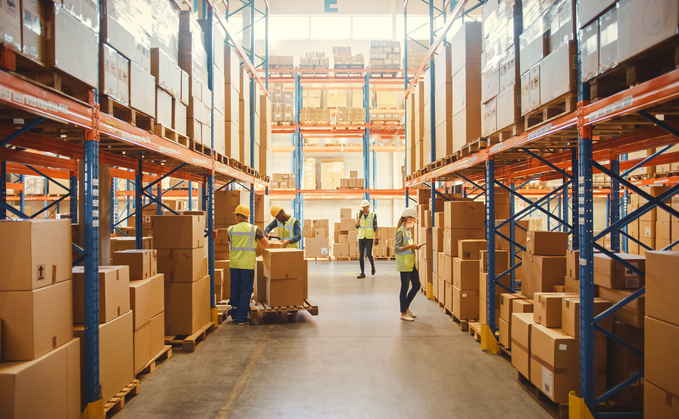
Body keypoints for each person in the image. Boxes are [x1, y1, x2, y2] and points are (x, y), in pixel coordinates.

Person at [226, 204, 270, 325]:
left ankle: (234, 314)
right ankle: (242, 317)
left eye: (236, 215)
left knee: (234, 288)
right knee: (245, 290)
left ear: (240, 216)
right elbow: (266, 244)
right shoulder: (255, 229)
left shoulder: (230, 229)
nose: (235, 217)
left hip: (234, 264)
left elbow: (230, 242)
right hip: (247, 266)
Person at [395, 208, 422, 321]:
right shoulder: (400, 231)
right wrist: (411, 246)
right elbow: (397, 249)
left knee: (417, 285)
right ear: (409, 219)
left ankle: (406, 307)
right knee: (404, 288)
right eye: (415, 220)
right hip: (404, 264)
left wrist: (415, 245)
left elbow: (408, 245)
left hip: (411, 263)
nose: (415, 222)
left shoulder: (408, 230)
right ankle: (402, 313)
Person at [355, 199, 378, 278]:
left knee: (368, 253)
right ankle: (362, 272)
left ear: (368, 206)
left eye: (365, 207)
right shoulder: (359, 215)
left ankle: (372, 265)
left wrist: (377, 238)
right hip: (361, 237)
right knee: (361, 255)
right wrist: (359, 217)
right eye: (362, 207)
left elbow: (375, 227)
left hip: (369, 237)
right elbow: (356, 226)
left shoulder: (373, 215)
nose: (363, 208)